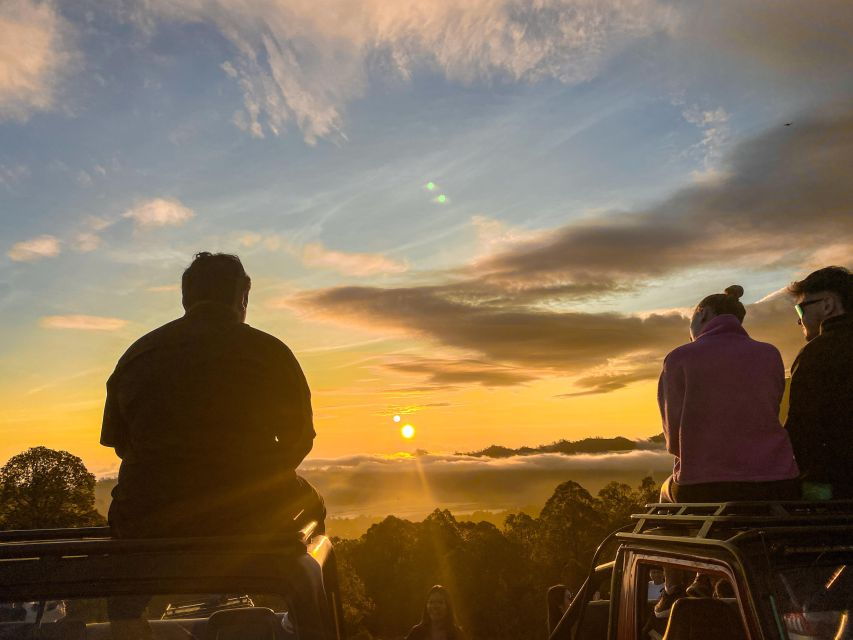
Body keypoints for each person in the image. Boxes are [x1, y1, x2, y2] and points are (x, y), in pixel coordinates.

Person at [101, 251, 325, 538]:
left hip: (142, 517)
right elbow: (300, 439)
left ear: (185, 298)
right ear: (242, 296)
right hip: (248, 514)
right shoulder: (271, 354)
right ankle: (320, 584)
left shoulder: (137, 354)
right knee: (313, 504)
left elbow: (116, 440)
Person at [655, 285, 799, 616]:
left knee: (665, 500)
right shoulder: (770, 354)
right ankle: (718, 580)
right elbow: (772, 407)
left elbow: (673, 441)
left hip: (705, 486)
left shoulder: (679, 358)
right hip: (776, 483)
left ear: (702, 314)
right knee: (740, 508)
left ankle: (675, 589)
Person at [784, 266, 853, 500]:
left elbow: (803, 428)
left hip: (837, 486)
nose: (798, 320)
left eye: (800, 308)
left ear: (828, 305)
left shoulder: (818, 353)